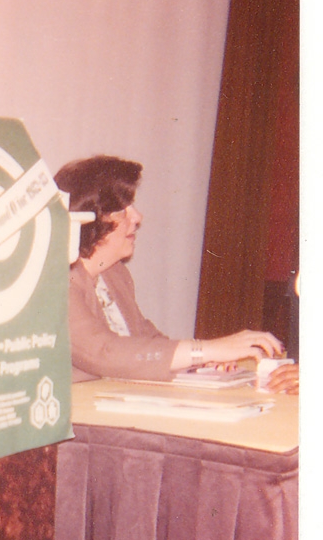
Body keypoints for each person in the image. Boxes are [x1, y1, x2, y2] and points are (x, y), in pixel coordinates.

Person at [55, 155, 297, 393]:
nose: (137, 217)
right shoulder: (54, 280)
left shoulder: (114, 274)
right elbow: (104, 352)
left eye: (133, 207)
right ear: (88, 216)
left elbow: (145, 339)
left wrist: (201, 361)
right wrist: (205, 350)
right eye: (122, 210)